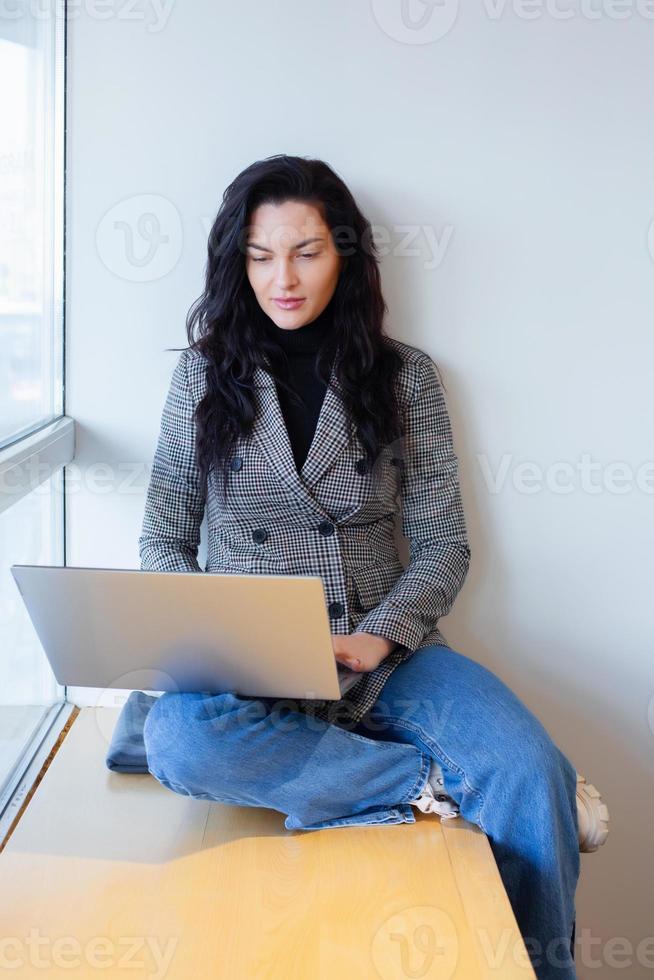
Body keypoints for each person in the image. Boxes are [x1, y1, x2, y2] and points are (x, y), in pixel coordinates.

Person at [138, 154, 608, 980]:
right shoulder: (201, 376)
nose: (282, 277)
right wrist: (206, 643)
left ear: (345, 255)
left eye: (307, 251)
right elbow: (163, 539)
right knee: (177, 741)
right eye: (259, 254)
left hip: (386, 655)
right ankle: (432, 785)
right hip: (249, 671)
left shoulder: (404, 377)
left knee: (530, 770)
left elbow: (442, 544)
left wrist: (375, 639)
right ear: (235, 262)